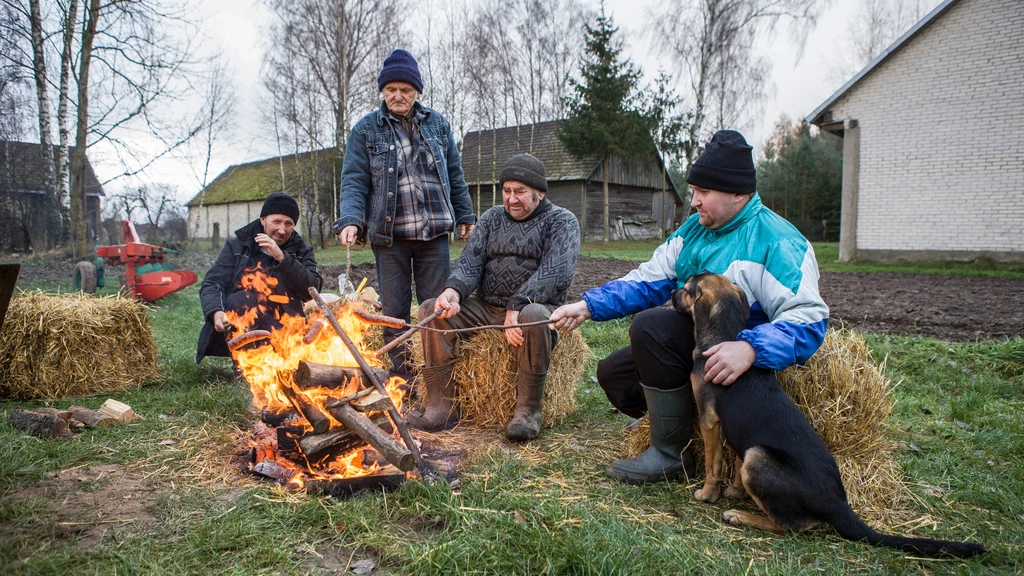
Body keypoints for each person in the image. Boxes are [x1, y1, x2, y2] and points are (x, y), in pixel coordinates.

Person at [549, 130, 829, 483]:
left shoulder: (780, 241)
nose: (693, 201)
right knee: (613, 375)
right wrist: (587, 306)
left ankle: (671, 455)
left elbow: (809, 319)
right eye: (693, 190)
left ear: (739, 193)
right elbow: (648, 279)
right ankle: (683, 424)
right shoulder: (694, 230)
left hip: (742, 362)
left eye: (704, 192)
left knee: (651, 326)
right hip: (699, 345)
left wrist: (750, 349)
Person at [408, 154, 580, 441]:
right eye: (507, 190)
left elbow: (557, 272)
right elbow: (469, 263)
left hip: (535, 306)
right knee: (431, 310)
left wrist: (518, 303)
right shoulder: (491, 218)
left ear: (540, 193)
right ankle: (441, 406)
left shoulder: (562, 221)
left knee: (535, 317)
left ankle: (528, 411)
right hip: (487, 306)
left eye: (520, 191)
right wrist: (453, 292)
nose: (511, 199)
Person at [333, 48, 476, 378]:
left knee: (436, 310)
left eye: (406, 90)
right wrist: (351, 219)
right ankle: (403, 381)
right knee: (395, 314)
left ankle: (438, 378)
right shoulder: (365, 130)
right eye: (391, 89)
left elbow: (455, 173)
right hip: (389, 238)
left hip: (433, 235)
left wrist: (466, 214)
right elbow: (354, 179)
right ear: (383, 91)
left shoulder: (439, 125)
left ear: (416, 93)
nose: (398, 96)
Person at [197, 192, 323, 364]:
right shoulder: (238, 245)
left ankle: (281, 359)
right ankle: (246, 367)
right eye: (276, 221)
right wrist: (215, 312)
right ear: (263, 219)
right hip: (244, 317)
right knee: (240, 299)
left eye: (289, 223)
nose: (282, 229)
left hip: (285, 320)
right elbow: (213, 283)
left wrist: (283, 258)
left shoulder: (301, 250)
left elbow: (312, 290)